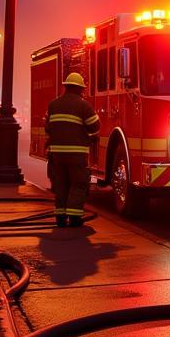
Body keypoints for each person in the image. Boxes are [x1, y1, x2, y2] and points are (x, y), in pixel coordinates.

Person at [45, 72, 99, 227]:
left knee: (61, 184)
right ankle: (74, 219)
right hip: (77, 155)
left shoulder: (53, 104)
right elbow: (94, 126)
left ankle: (60, 218)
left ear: (66, 87)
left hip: (57, 155)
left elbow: (48, 127)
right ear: (79, 89)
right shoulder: (83, 105)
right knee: (78, 184)